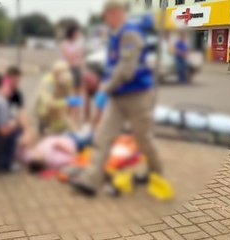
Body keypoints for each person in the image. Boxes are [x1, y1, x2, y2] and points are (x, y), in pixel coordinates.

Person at [70, 0, 163, 196]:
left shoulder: (130, 34)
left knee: (143, 139)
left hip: (138, 95)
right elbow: (112, 66)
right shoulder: (115, 35)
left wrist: (105, 88)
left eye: (109, 14)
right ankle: (90, 181)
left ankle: (156, 172)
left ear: (118, 12)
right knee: (102, 136)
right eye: (105, 15)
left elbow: (126, 70)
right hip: (118, 97)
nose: (106, 18)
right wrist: (108, 87)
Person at [35, 61, 77, 134]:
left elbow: (71, 95)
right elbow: (49, 103)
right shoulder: (48, 83)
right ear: (56, 75)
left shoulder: (68, 80)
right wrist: (66, 102)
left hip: (58, 99)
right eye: (63, 78)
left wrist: (72, 101)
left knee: (62, 113)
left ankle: (60, 126)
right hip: (45, 104)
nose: (65, 80)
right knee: (45, 109)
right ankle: (45, 122)